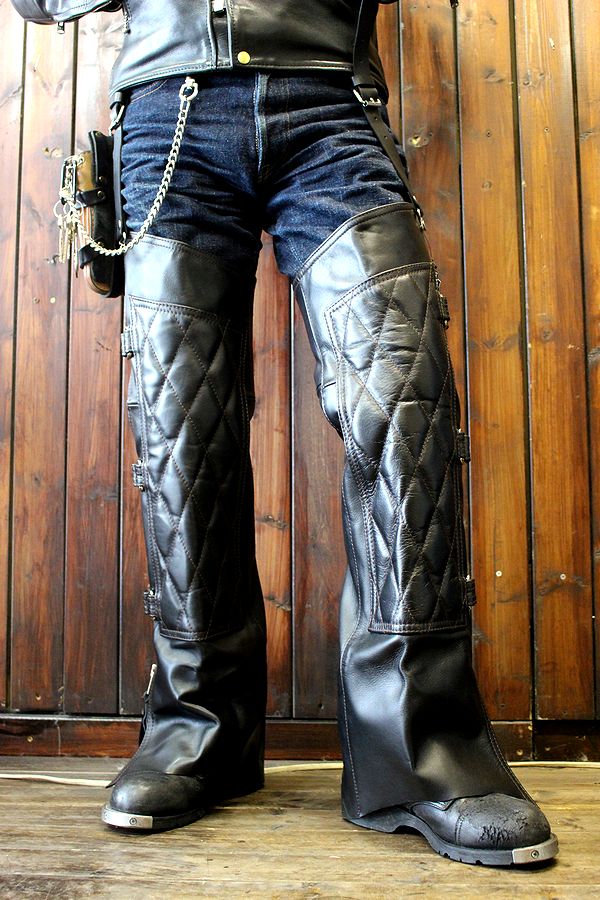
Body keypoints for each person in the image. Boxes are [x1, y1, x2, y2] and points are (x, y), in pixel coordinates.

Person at [11, 0, 558, 867]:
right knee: (182, 434)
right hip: (169, 111)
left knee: (405, 403)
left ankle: (425, 747)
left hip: (329, 102)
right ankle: (200, 730)